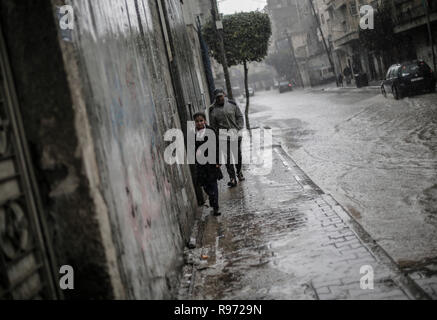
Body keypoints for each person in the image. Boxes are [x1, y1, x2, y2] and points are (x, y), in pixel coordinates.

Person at [208, 88, 245, 188]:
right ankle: (232, 178)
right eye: (217, 97)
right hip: (223, 136)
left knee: (237, 156)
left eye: (221, 96)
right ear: (215, 98)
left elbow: (240, 117)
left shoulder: (232, 104)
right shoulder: (212, 109)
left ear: (224, 95)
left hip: (234, 133)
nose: (220, 98)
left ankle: (239, 172)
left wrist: (239, 127)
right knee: (228, 159)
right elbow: (213, 125)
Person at [193, 112, 223, 216]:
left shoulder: (211, 131)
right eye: (197, 121)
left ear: (205, 121)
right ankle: (211, 197)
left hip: (212, 163)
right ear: (195, 123)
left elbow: (218, 146)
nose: (199, 123)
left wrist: (218, 161)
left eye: (201, 120)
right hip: (201, 164)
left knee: (213, 184)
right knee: (205, 185)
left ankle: (216, 207)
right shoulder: (193, 134)